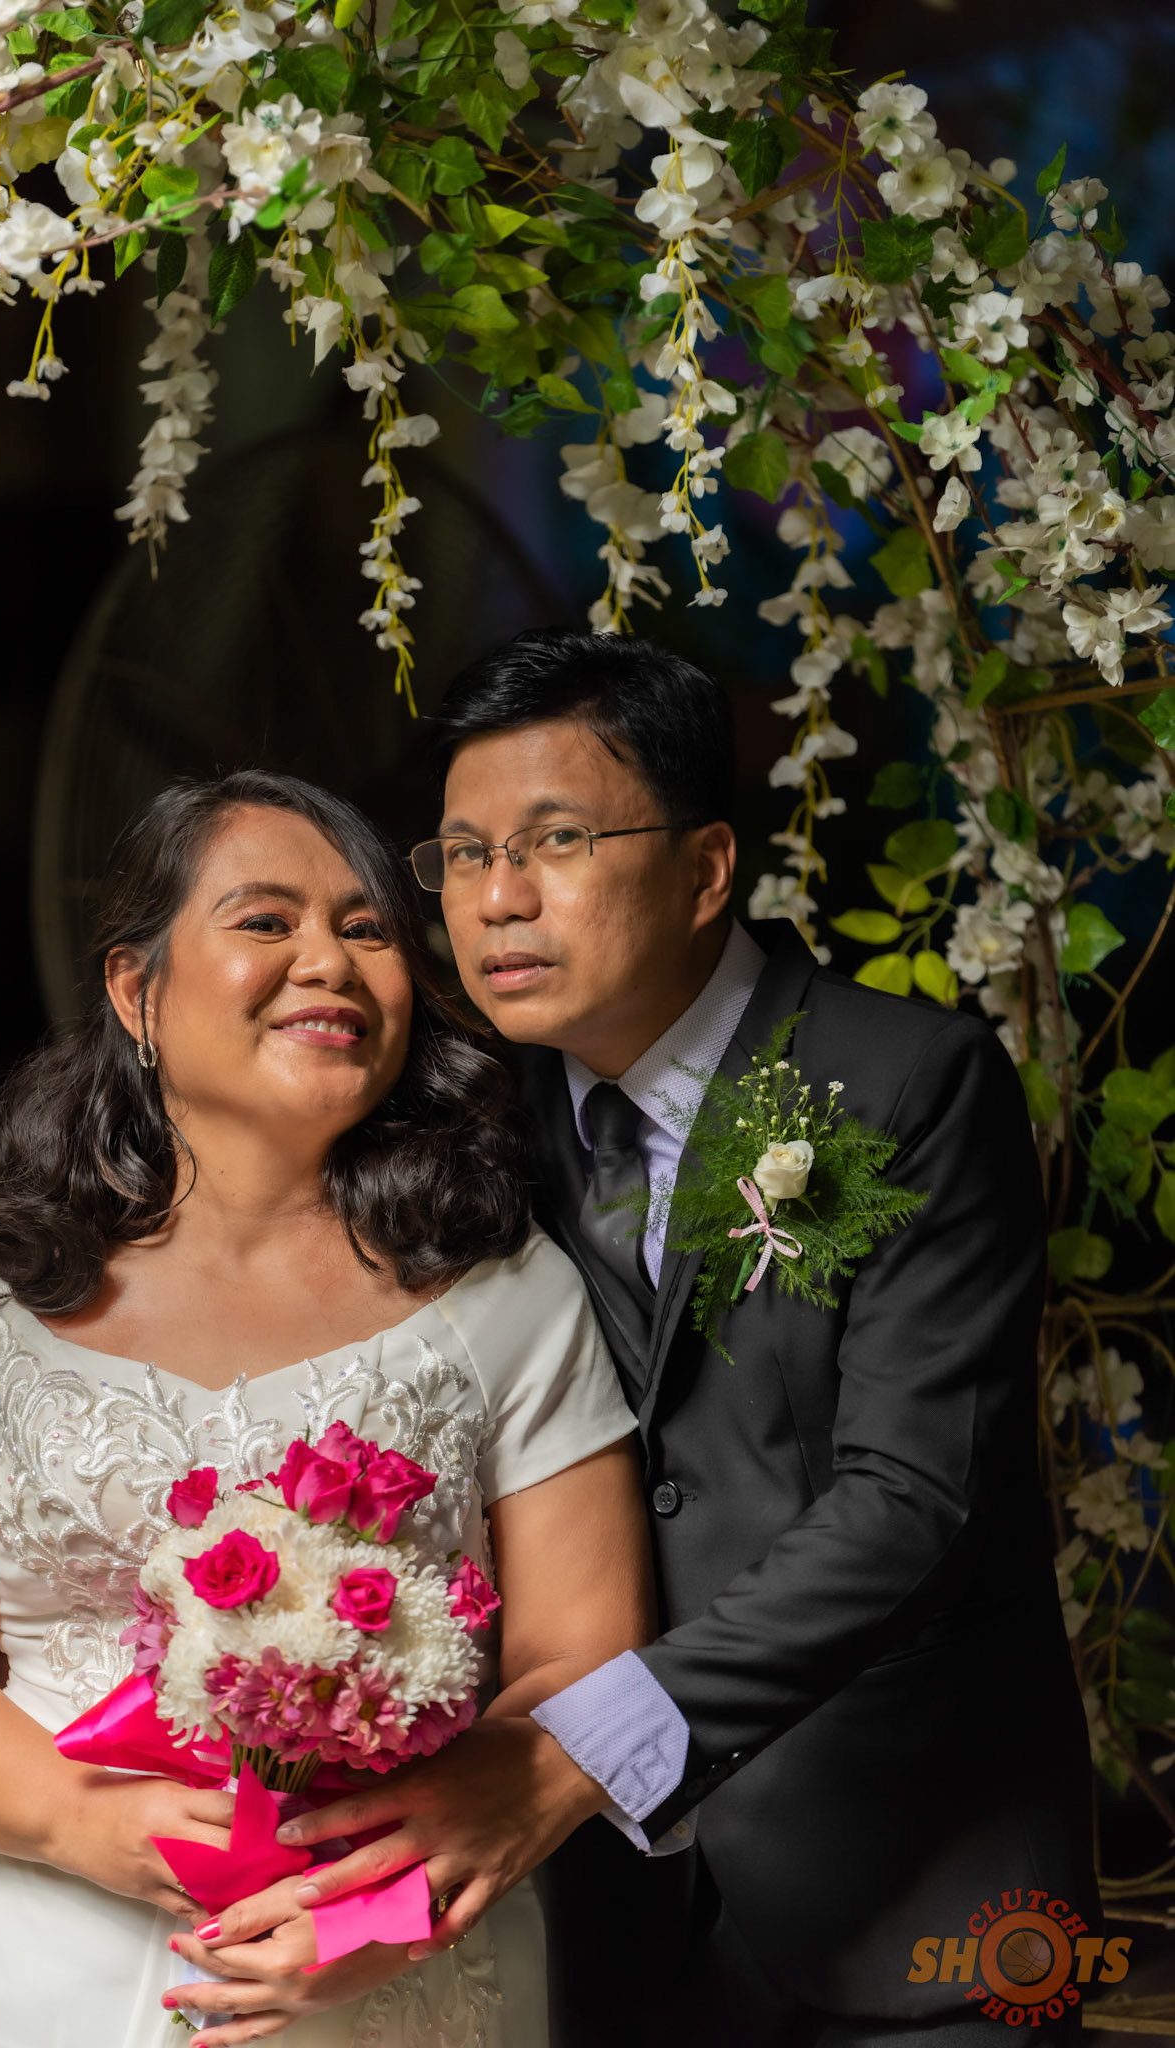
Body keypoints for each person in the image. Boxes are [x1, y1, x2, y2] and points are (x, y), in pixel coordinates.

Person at [261, 631, 1099, 2047]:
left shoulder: (907, 1082)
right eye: (462, 855)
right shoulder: (467, 1123)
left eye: (555, 840)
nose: (497, 897)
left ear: (707, 868)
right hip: (607, 1929)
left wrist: (571, 1753)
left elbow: (916, 1500)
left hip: (921, 1888)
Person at [0, 769, 652, 2048]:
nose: (328, 960)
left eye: (366, 928)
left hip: (395, 1982)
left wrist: (376, 1916)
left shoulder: (503, 1290)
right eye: (266, 920)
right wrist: (81, 1819)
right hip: (43, 1971)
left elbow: (581, 1655)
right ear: (135, 991)